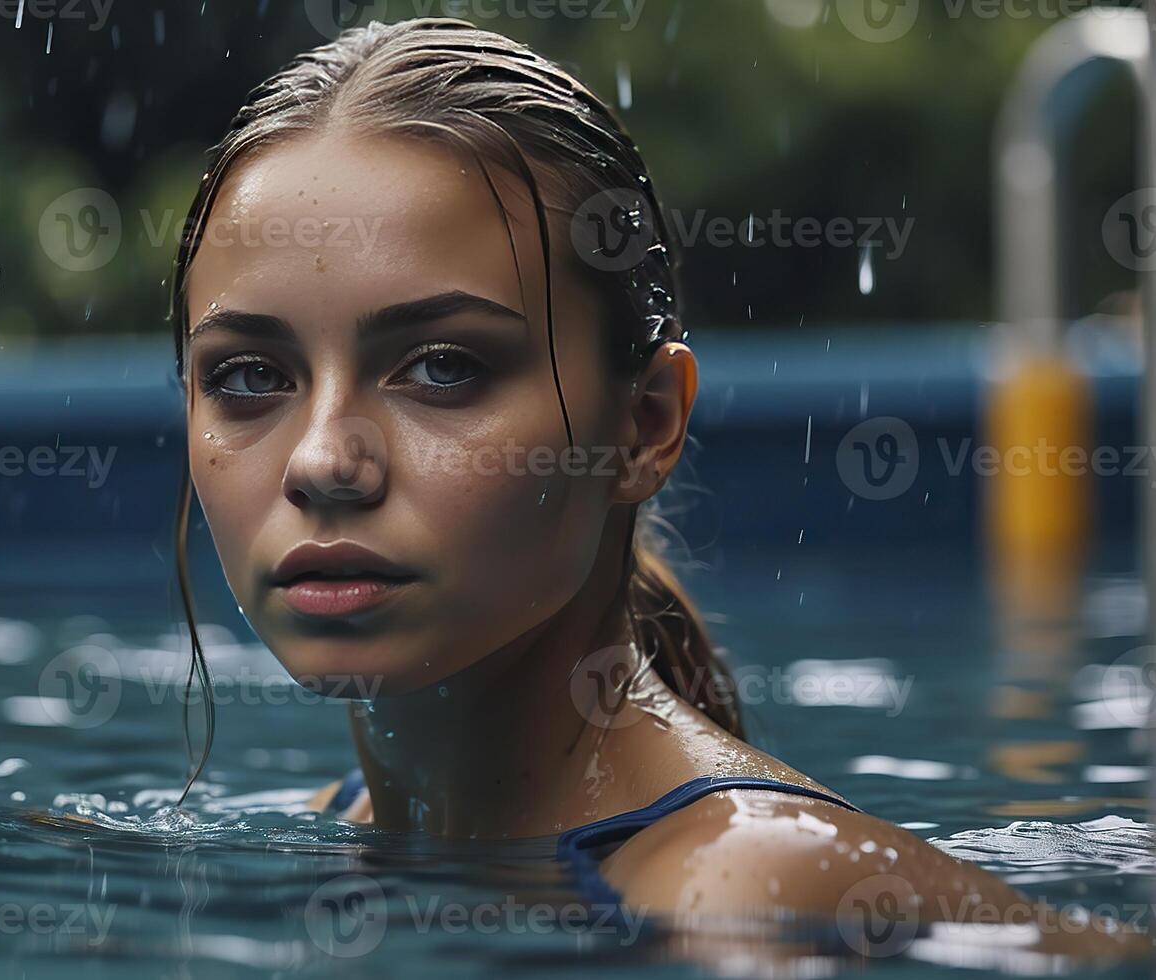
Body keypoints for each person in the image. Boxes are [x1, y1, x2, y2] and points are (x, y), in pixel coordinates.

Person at [164, 17, 1139, 960]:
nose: (320, 460)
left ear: (642, 426)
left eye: (441, 366)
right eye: (249, 376)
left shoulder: (747, 885)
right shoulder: (337, 823)